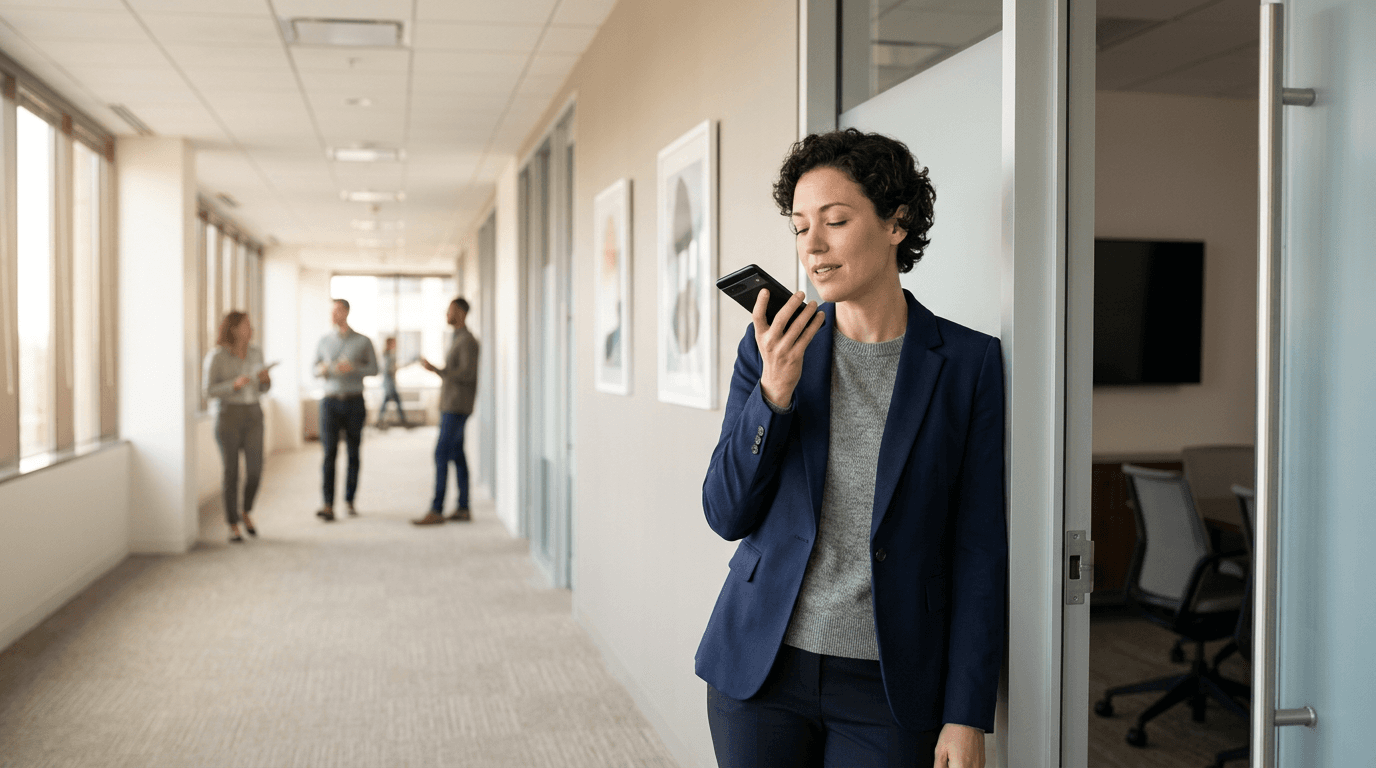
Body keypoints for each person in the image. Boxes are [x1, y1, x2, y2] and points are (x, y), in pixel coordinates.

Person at [697, 128, 1007, 768]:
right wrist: (773, 396)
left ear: (896, 223)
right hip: (761, 670)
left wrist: (966, 713)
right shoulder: (772, 348)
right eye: (799, 226)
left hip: (889, 684)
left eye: (835, 221)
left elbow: (979, 546)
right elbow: (725, 513)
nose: (812, 245)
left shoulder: (969, 364)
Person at [203, 311, 271, 544]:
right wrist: (233, 385)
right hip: (228, 416)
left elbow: (263, 389)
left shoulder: (256, 352)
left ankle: (246, 510)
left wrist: (265, 380)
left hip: (254, 414)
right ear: (233, 329)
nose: (251, 329)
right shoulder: (216, 356)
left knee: (255, 471)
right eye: (246, 325)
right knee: (231, 472)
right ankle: (233, 524)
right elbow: (208, 391)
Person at [413, 298, 480, 526]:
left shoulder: (468, 341)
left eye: (450, 311)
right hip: (451, 403)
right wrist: (439, 370)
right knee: (457, 454)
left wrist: (438, 370)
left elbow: (467, 374)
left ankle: (437, 509)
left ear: (460, 312)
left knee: (441, 453)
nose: (446, 315)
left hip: (457, 406)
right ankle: (463, 507)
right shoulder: (457, 338)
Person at [313, 298, 378, 522]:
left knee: (353, 453)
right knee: (328, 454)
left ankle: (350, 500)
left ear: (347, 312)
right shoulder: (323, 341)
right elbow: (313, 369)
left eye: (338, 310)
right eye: (332, 311)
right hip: (330, 402)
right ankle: (328, 504)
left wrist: (354, 368)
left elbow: (374, 369)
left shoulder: (363, 341)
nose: (333, 314)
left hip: (354, 402)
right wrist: (322, 369)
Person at [376, 336, 410, 429]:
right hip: (389, 385)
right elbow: (387, 371)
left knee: (390, 403)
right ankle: (401, 421)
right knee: (393, 403)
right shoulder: (387, 355)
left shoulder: (389, 355)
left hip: (390, 384)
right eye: (394, 343)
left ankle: (380, 421)